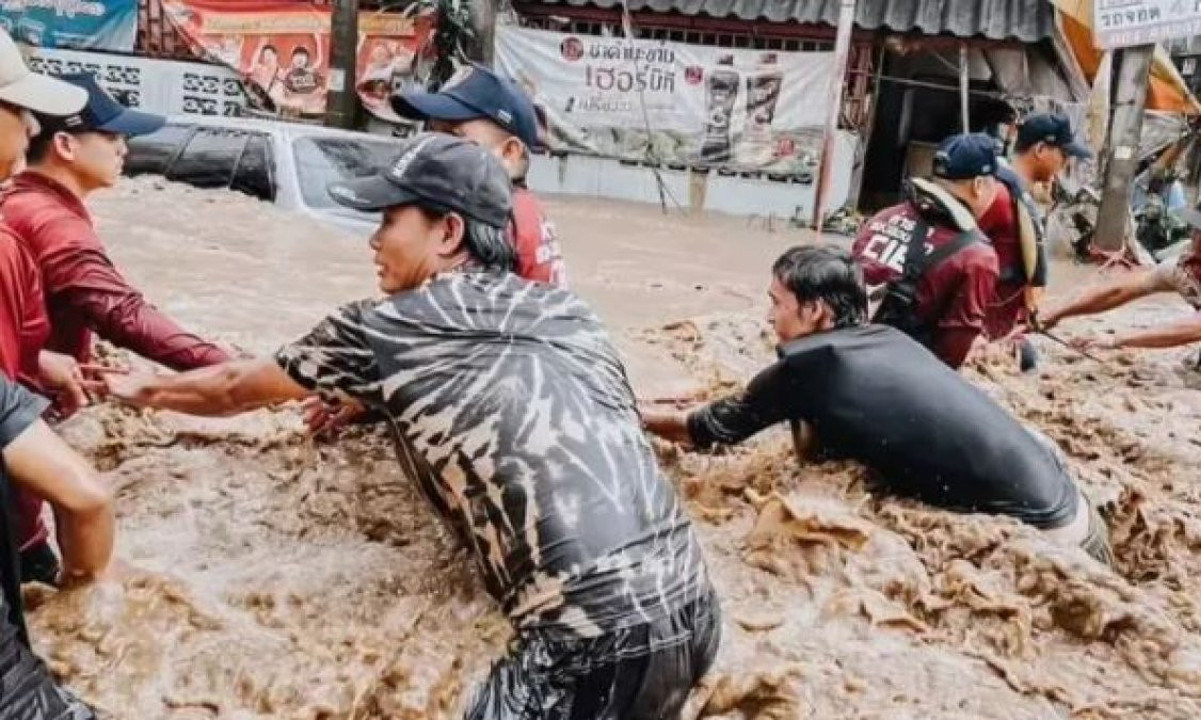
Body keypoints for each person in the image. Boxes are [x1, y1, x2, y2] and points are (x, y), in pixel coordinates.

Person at [103, 134, 720, 719]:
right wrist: (369, 401)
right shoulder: (569, 310)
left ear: (448, 231)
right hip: (694, 610)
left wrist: (145, 389)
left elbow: (238, 389)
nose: (372, 240)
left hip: (592, 642)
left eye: (388, 220)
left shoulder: (387, 327)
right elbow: (511, 391)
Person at [642, 244, 1114, 566]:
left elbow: (697, 431)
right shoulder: (886, 337)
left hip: (1048, 542)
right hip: (1075, 507)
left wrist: (629, 412)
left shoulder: (807, 369)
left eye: (776, 303)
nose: (768, 316)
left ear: (816, 312)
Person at [1, 73, 233, 582]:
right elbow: (127, 316)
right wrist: (244, 373)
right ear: (63, 144)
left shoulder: (20, 204)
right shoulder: (53, 222)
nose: (124, 148)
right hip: (16, 462)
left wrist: (40, 356)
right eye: (112, 136)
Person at [0, 28, 115, 718]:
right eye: (19, 109)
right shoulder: (39, 226)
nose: (31, 127)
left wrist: (35, 361)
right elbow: (86, 496)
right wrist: (90, 596)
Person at [1042, 187, 1201, 402]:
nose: (1200, 241)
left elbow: (1197, 329)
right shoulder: (1187, 268)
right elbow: (1120, 289)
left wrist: (1116, 340)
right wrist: (1056, 313)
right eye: (1198, 230)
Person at [392, 64, 567, 287]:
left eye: (452, 136)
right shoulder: (522, 209)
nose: (433, 147)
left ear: (509, 152)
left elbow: (452, 312)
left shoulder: (492, 221)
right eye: (431, 131)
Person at [851, 133, 1001, 368]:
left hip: (847, 354)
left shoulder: (884, 216)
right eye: (996, 182)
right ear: (979, 185)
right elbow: (951, 356)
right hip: (901, 377)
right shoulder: (977, 257)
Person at [979, 113, 1092, 348]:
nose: (1066, 163)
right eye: (1064, 154)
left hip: (1003, 321)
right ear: (1040, 149)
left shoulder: (1020, 197)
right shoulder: (1000, 195)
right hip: (982, 325)